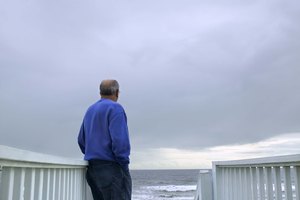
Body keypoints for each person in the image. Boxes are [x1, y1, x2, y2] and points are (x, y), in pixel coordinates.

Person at [78, 79, 132, 200]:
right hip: (112, 168)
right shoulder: (116, 109)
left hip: (92, 169)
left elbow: (81, 140)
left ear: (100, 92)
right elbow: (120, 142)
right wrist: (124, 164)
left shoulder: (90, 110)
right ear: (117, 92)